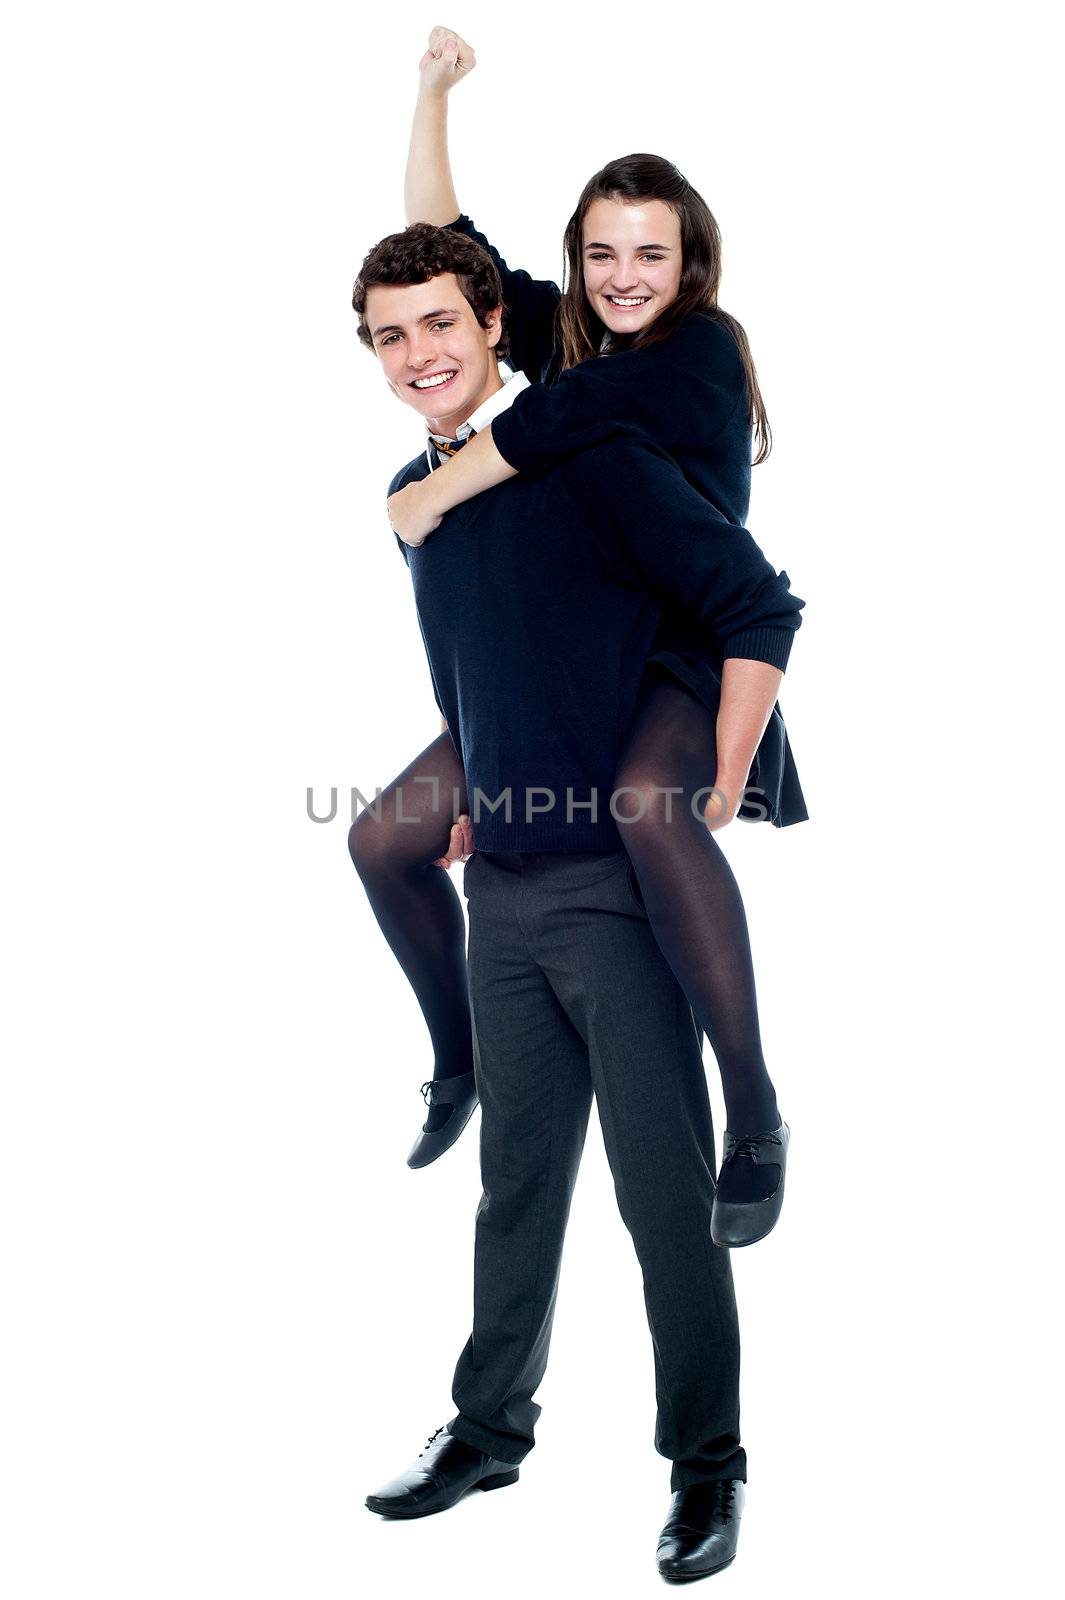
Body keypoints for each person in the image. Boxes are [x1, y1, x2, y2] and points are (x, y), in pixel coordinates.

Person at [351, 219, 804, 1581]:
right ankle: (487, 1429)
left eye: (441, 323)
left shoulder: (597, 456)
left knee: (666, 1206)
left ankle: (707, 1469)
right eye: (390, 335)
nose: (419, 353)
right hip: (501, 889)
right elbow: (468, 670)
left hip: (614, 894)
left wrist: (719, 775)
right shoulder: (413, 501)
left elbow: (754, 601)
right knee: (514, 1191)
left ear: (498, 326)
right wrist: (475, 781)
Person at [349, 27, 805, 1249]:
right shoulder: (572, 337)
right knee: (385, 837)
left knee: (652, 813)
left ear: (691, 260)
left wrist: (426, 495)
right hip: (569, 649)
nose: (622, 273)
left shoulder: (697, 353)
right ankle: (460, 1060)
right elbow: (452, 263)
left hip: (683, 648)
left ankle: (754, 1107)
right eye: (601, 251)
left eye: (650, 252)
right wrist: (433, 94)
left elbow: (548, 430)